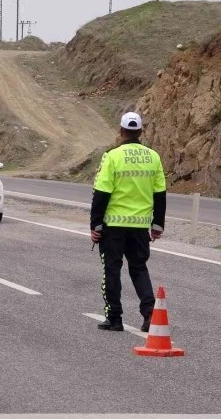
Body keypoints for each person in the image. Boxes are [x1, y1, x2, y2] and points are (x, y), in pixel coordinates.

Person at [90, 112, 167, 332]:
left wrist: (95, 226)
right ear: (141, 131)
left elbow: (101, 193)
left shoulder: (112, 156)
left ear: (121, 131)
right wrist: (157, 224)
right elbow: (160, 193)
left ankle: (114, 318)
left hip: (113, 226)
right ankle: (150, 315)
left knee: (111, 271)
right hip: (141, 226)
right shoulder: (153, 157)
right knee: (139, 268)